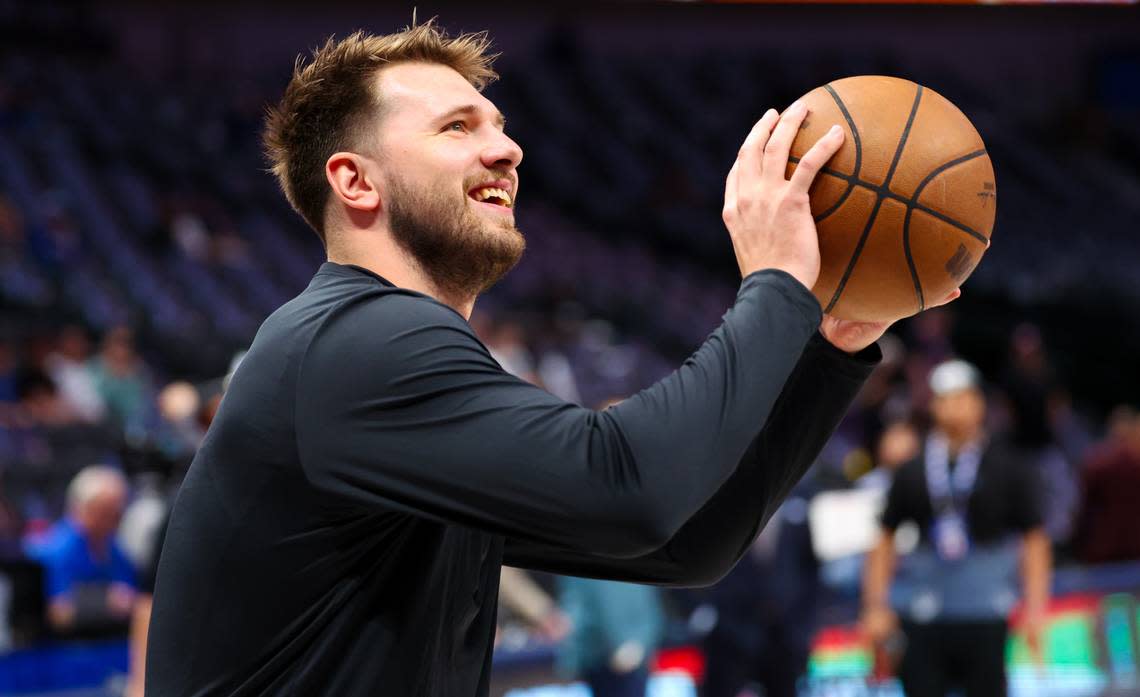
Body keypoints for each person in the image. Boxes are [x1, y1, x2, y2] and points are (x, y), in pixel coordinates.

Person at [147, 21, 958, 696]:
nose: (509, 150)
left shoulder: (384, 361)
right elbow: (630, 489)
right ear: (356, 181)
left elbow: (682, 543)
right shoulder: (356, 342)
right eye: (458, 126)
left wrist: (826, 342)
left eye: (500, 126)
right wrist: (779, 285)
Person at [860, 359, 1051, 697]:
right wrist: (876, 606)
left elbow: (1034, 538)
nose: (953, 407)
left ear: (980, 403)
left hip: (986, 611)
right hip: (924, 613)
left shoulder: (1009, 465)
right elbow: (884, 539)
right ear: (933, 405)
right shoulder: (912, 469)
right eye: (944, 398)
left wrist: (1036, 608)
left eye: (962, 397)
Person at [26, 465, 136, 636]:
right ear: (83, 509)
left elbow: (132, 596)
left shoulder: (112, 546)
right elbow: (59, 614)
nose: (116, 519)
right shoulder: (59, 549)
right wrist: (103, 602)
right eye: (107, 511)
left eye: (119, 511)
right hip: (62, 649)